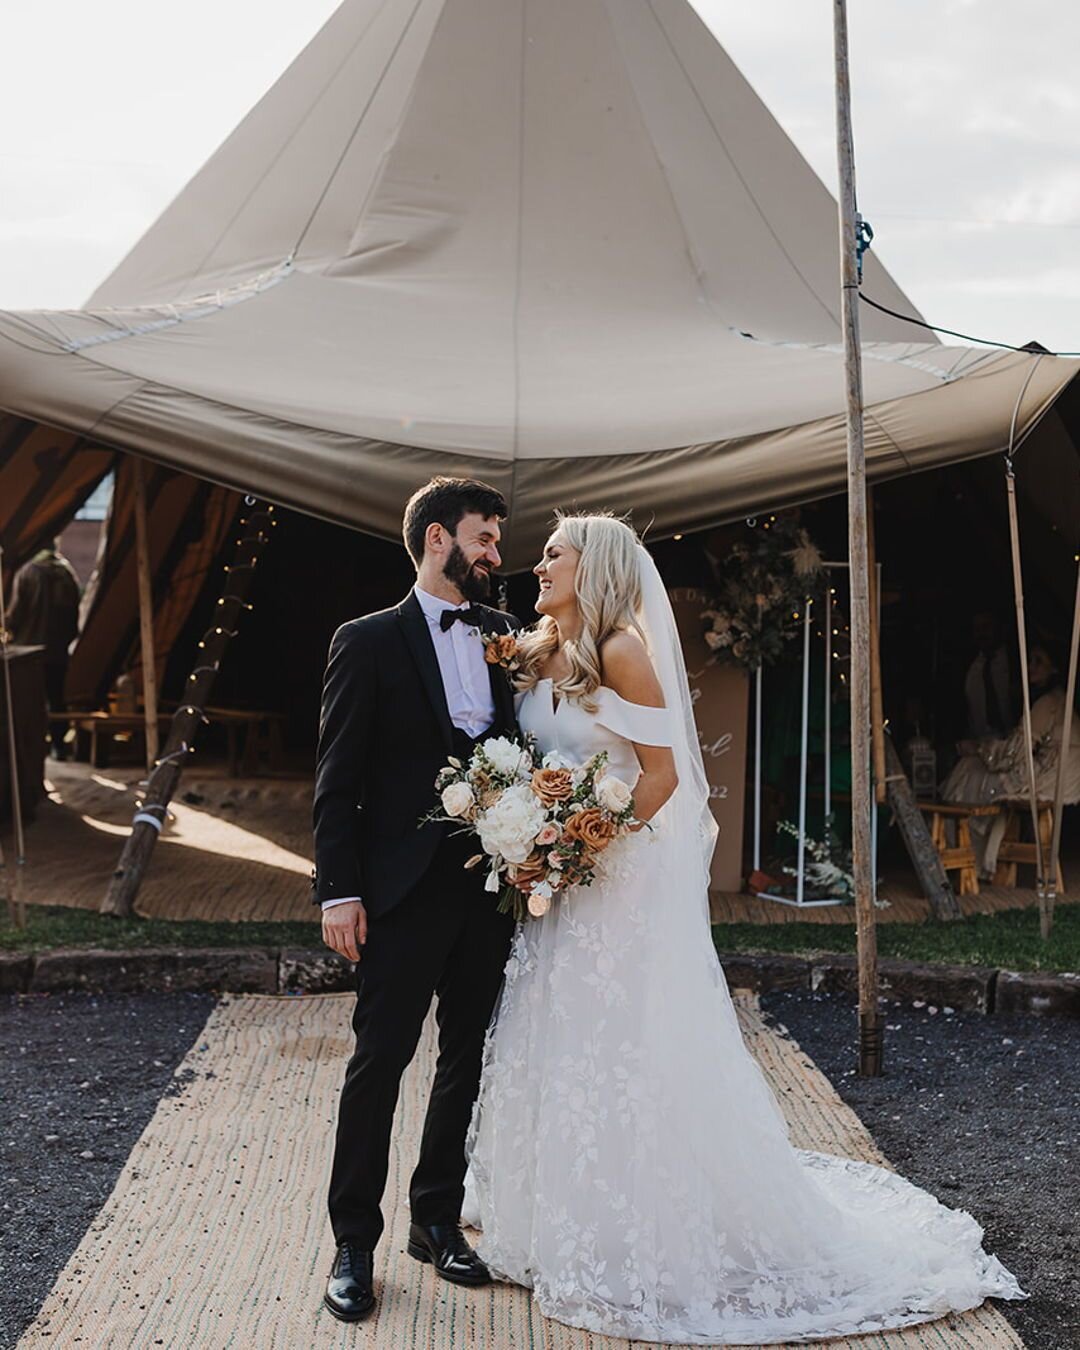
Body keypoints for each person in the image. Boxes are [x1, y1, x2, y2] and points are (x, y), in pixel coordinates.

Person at [463, 512, 1023, 1345]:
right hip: (559, 888)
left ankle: (636, 1225)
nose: (538, 564)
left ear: (598, 566)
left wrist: (579, 845)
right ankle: (554, 1211)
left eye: (554, 553)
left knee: (625, 1042)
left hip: (610, 881)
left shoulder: (623, 650)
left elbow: (663, 776)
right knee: (564, 1035)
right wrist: (520, 823)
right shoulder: (540, 648)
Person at [314, 476, 519, 1323]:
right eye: (484, 537)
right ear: (438, 539)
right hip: (398, 893)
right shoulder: (365, 642)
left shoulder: (509, 635)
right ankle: (354, 1241)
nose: (495, 553)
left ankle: (435, 1219)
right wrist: (340, 892)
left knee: (466, 1057)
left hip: (489, 888)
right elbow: (336, 782)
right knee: (379, 1063)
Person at [944, 642, 1080, 876]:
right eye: (1029, 661)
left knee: (970, 770)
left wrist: (978, 748)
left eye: (1039, 662)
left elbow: (1015, 752)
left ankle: (964, 852)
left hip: (1049, 779)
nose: (1031, 667)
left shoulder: (1047, 703)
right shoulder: (1058, 699)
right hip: (1065, 779)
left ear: (1054, 669)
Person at [7, 540, 81, 758]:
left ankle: (31, 751)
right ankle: (59, 746)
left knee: (29, 705)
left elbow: (16, 616)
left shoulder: (29, 571)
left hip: (29, 653)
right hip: (58, 652)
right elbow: (73, 619)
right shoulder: (67, 573)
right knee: (57, 700)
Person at [963, 609, 1016, 740]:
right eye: (977, 629)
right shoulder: (968, 666)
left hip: (1014, 743)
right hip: (978, 745)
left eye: (986, 627)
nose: (981, 633)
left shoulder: (1016, 663)